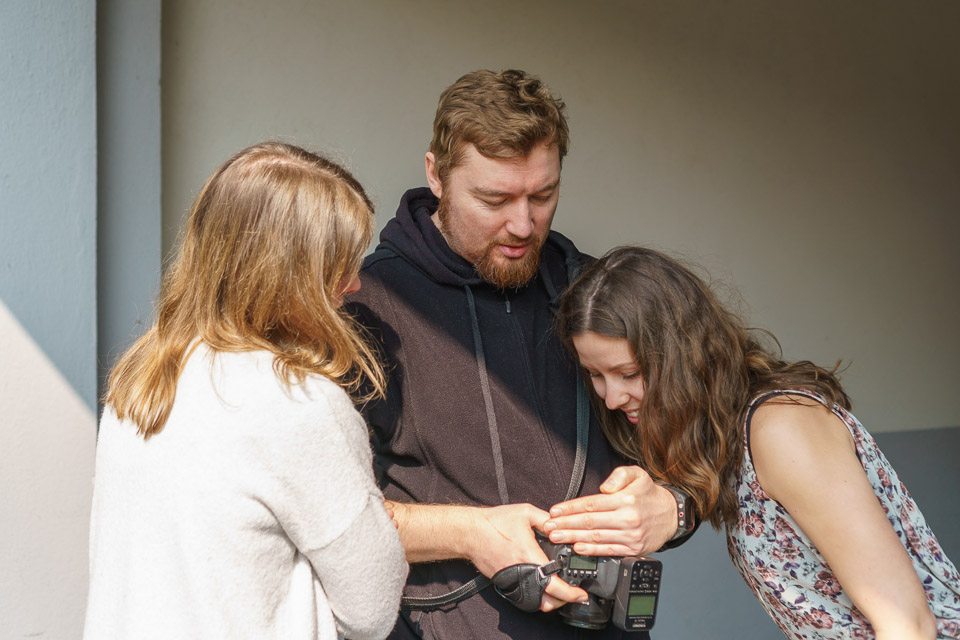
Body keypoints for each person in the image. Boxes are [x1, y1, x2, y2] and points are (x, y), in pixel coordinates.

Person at [346, 70, 694, 640]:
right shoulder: (367, 306)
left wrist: (674, 509)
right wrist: (468, 534)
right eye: (494, 199)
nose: (523, 224)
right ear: (436, 174)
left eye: (543, 195)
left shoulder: (594, 291)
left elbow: (698, 452)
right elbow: (327, 518)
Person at [84, 142, 408, 640]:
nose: (353, 285)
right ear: (288, 276)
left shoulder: (144, 377)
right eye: (337, 266)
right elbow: (371, 607)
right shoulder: (297, 400)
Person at [554, 245, 960, 640]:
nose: (611, 398)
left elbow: (909, 625)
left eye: (629, 374)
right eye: (596, 375)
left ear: (682, 355)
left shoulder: (781, 427)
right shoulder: (731, 441)